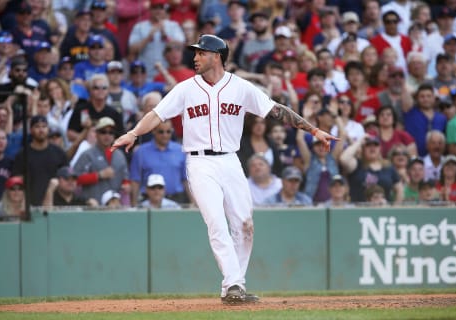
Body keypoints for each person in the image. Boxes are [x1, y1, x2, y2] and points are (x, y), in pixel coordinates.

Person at [110, 34, 337, 305]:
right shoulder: (185, 89)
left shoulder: (240, 87)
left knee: (245, 224)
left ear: (216, 56)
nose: (195, 58)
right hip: (199, 162)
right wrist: (133, 133)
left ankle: (234, 285)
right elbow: (157, 114)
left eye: (200, 53)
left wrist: (312, 129)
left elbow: (276, 110)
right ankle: (233, 284)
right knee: (217, 223)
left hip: (230, 160)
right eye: (195, 53)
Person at [129, 120, 190, 206]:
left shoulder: (180, 150)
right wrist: (134, 203)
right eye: (161, 132)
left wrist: (193, 202)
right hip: (149, 201)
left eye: (168, 132)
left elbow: (186, 179)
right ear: (153, 131)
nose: (165, 135)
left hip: (177, 199)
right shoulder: (141, 152)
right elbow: (135, 180)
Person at [12, 115, 68, 206]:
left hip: (56, 204)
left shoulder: (59, 153)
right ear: (31, 130)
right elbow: (17, 180)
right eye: (37, 126)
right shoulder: (22, 155)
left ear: (48, 129)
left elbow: (66, 177)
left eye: (44, 126)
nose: (41, 130)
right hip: (30, 204)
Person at [73, 117, 128, 205]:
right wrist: (98, 175)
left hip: (114, 207)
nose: (107, 135)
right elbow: (75, 179)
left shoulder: (120, 155)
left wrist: (126, 185)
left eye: (111, 132)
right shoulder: (87, 154)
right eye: (103, 132)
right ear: (96, 134)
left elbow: (125, 178)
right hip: (93, 206)